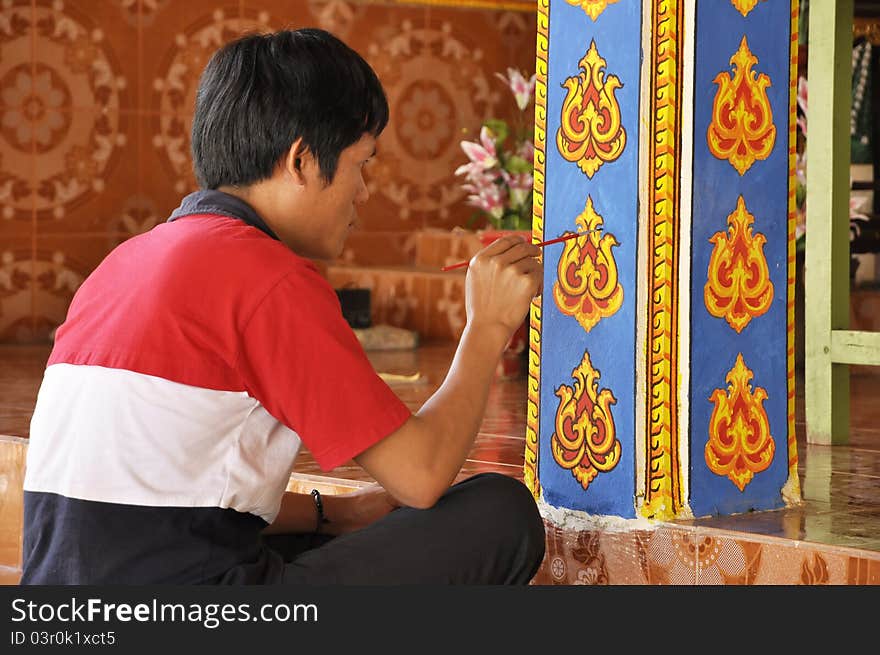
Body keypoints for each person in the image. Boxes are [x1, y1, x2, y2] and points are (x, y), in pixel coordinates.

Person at [20, 27, 545, 585]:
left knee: (332, 532)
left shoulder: (122, 265)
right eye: (361, 164)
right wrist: (487, 325)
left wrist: (333, 512)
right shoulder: (265, 275)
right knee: (500, 512)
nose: (363, 192)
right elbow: (420, 474)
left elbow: (172, 506)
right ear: (300, 160)